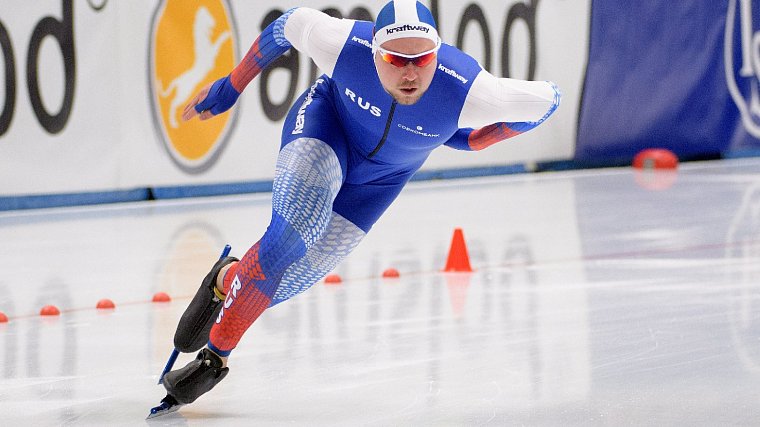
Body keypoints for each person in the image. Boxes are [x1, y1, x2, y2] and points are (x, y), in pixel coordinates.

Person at [161, 0, 560, 406]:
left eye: (422, 60)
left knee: (288, 279)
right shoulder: (340, 43)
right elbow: (286, 25)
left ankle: (226, 281)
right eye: (395, 58)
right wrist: (231, 85)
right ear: (373, 50)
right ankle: (215, 358)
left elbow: (548, 99)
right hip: (326, 127)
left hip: (379, 182)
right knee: (293, 236)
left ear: (437, 54)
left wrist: (476, 139)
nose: (409, 72)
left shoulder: (473, 91)